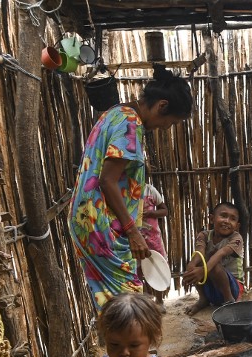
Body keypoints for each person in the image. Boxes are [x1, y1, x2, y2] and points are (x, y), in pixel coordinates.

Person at [69, 65, 193, 312]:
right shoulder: (131, 126)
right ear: (162, 106)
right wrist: (133, 231)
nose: (165, 128)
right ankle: (132, 350)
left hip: (87, 220)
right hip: (101, 224)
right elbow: (107, 180)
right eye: (170, 122)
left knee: (112, 302)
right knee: (128, 303)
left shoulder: (117, 113)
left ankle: (120, 348)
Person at [182, 202, 245, 315]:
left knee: (214, 263)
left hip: (233, 289)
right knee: (196, 262)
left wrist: (203, 271)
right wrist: (191, 267)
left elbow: (220, 253)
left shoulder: (236, 238)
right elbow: (199, 252)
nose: (227, 221)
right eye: (223, 216)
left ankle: (229, 301)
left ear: (237, 226)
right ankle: (203, 299)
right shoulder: (204, 235)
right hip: (212, 288)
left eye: (233, 219)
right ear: (212, 219)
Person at [139, 183, 170, 306]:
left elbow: (164, 210)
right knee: (137, 269)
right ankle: (145, 301)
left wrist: (151, 214)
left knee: (157, 265)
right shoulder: (125, 190)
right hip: (134, 238)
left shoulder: (150, 190)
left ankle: (159, 300)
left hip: (153, 238)